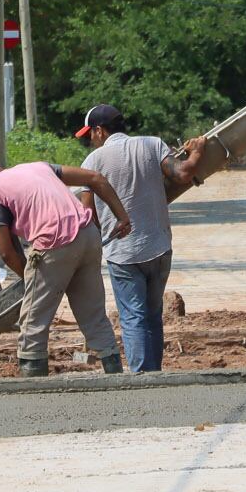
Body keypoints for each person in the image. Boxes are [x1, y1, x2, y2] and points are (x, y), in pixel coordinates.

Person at [0, 150, 131, 378]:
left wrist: (32, 282)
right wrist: (122, 217)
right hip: (88, 237)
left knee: (32, 323)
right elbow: (96, 178)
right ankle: (116, 378)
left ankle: (36, 394)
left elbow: (8, 253)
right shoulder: (39, 167)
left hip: (55, 243)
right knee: (93, 315)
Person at [75, 104, 207, 373]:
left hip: (122, 253)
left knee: (133, 317)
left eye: (90, 133)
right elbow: (183, 173)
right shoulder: (152, 144)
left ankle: (140, 377)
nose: (90, 139)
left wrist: (104, 237)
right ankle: (154, 374)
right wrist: (198, 152)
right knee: (152, 314)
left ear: (100, 131)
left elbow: (87, 213)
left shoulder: (93, 162)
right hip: (158, 245)